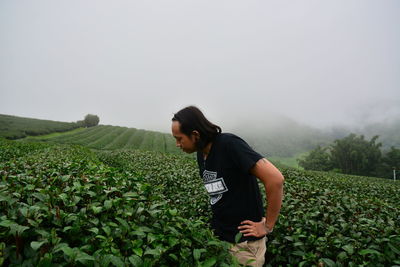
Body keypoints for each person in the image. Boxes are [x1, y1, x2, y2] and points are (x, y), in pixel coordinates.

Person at [171, 106, 284, 267]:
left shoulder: (229, 145)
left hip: (245, 246)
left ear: (195, 135)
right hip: (221, 239)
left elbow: (275, 179)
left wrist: (268, 226)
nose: (177, 144)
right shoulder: (201, 154)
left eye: (179, 138)